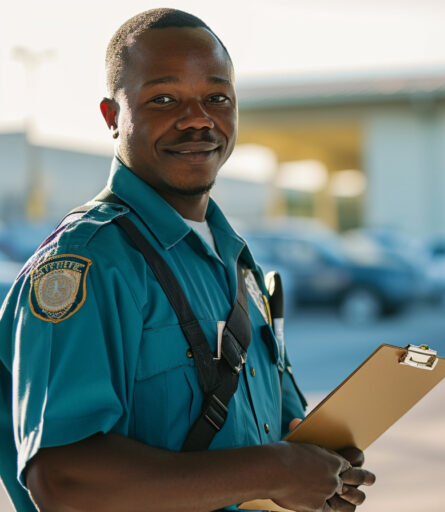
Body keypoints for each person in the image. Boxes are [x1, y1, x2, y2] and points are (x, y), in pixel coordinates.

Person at [0, 8, 375, 512]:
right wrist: (274, 470)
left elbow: (267, 430)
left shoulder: (237, 262)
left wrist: (314, 471)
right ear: (112, 117)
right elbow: (64, 482)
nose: (198, 117)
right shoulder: (88, 263)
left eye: (216, 97)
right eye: (164, 98)